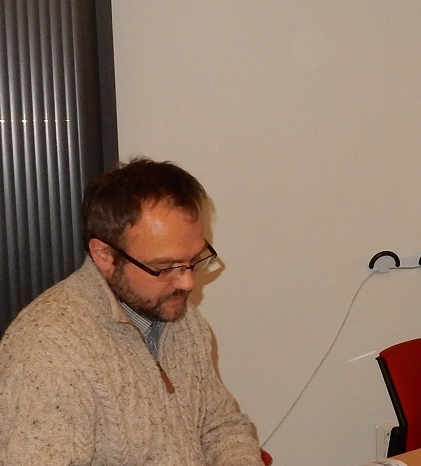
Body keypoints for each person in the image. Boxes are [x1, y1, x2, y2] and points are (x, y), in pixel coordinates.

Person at [0, 158, 266, 465]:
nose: (187, 281)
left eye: (194, 260)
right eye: (165, 267)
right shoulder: (46, 353)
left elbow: (221, 427)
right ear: (105, 255)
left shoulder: (180, 318)